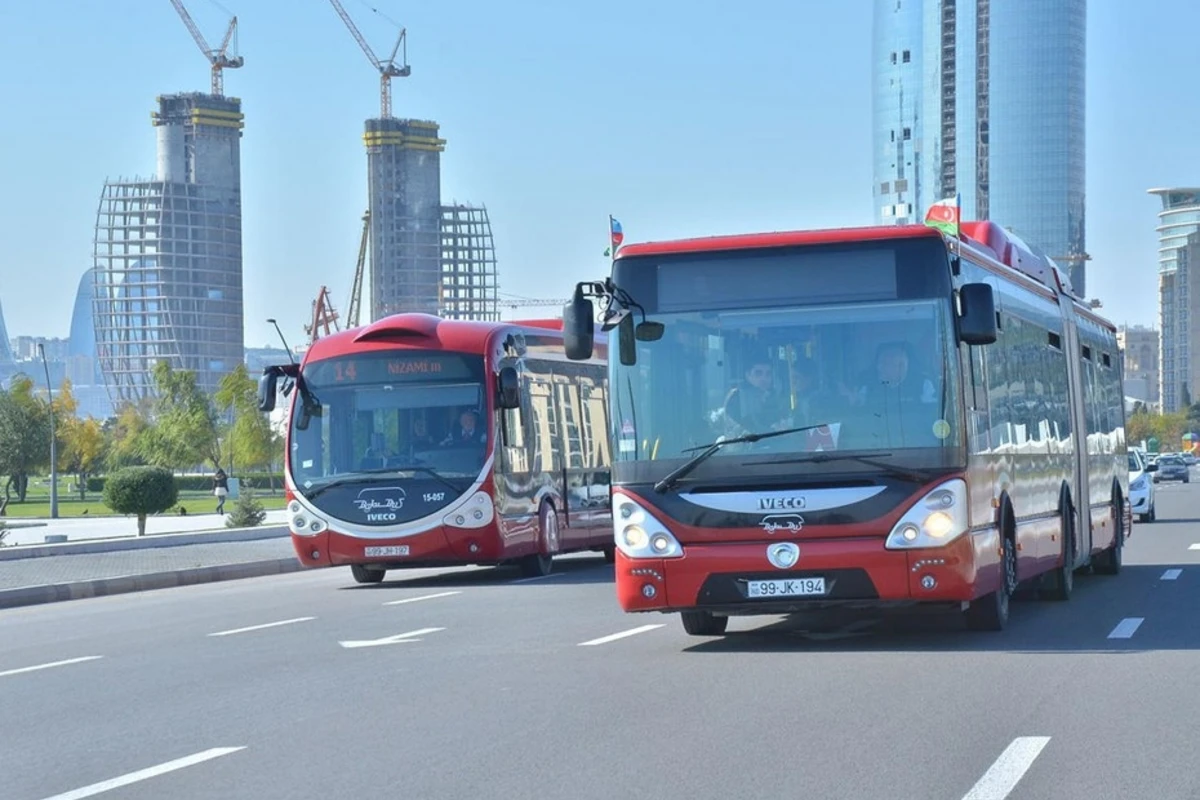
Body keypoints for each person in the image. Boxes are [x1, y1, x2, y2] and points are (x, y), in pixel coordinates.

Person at [722, 357, 789, 436]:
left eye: (768, 374)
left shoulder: (774, 398)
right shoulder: (737, 398)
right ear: (748, 375)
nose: (764, 378)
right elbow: (738, 429)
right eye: (758, 373)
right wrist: (773, 430)